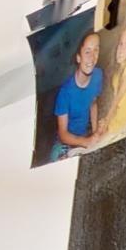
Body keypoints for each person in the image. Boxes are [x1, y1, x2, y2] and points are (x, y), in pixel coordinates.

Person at [51, 30, 105, 161]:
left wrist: (95, 132)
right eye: (87, 52)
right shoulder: (65, 93)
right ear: (78, 58)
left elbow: (93, 103)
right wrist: (87, 142)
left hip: (85, 136)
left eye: (96, 50)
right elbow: (63, 134)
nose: (92, 58)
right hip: (66, 142)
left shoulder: (98, 75)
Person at [102, 22, 126, 137]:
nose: (122, 48)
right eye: (121, 43)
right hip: (117, 120)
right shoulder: (116, 74)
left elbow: (118, 97)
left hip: (124, 122)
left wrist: (106, 121)